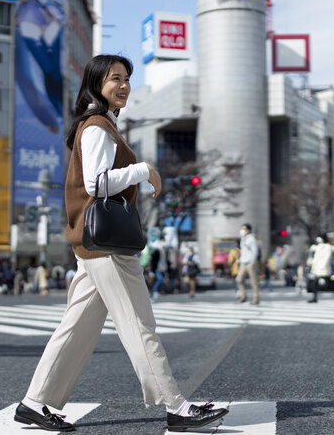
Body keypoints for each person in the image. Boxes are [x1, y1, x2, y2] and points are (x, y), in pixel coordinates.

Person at [13, 55, 227, 433]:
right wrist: (144, 170)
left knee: (76, 329)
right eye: (115, 79)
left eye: (127, 78)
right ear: (96, 84)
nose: (124, 85)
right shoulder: (97, 127)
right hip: (107, 248)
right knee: (139, 324)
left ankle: (34, 402)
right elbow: (96, 184)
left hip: (93, 245)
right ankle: (176, 406)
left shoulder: (100, 125)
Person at [307, 233, 334, 303]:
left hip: (323, 268)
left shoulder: (327, 247)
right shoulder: (319, 246)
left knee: (329, 283)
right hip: (318, 268)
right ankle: (315, 298)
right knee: (315, 283)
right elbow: (315, 256)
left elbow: (327, 257)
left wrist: (323, 266)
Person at [236, 223, 260, 305]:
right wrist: (240, 260)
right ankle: (243, 296)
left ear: (248, 230)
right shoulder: (243, 239)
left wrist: (252, 262)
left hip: (250, 262)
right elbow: (243, 252)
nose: (242, 231)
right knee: (238, 279)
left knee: (253, 281)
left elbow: (254, 251)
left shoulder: (251, 239)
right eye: (242, 229)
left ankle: (256, 298)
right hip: (243, 262)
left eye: (244, 229)